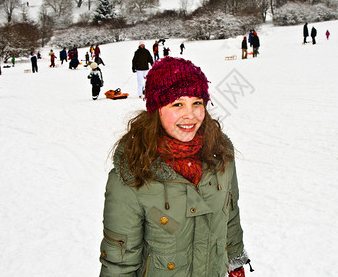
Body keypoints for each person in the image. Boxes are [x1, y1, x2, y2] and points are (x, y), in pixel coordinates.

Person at [99, 57, 251, 277]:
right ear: (156, 109)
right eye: (177, 104)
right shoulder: (132, 173)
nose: (190, 115)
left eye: (196, 103)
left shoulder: (221, 156)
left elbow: (231, 216)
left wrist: (235, 264)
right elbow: (119, 265)